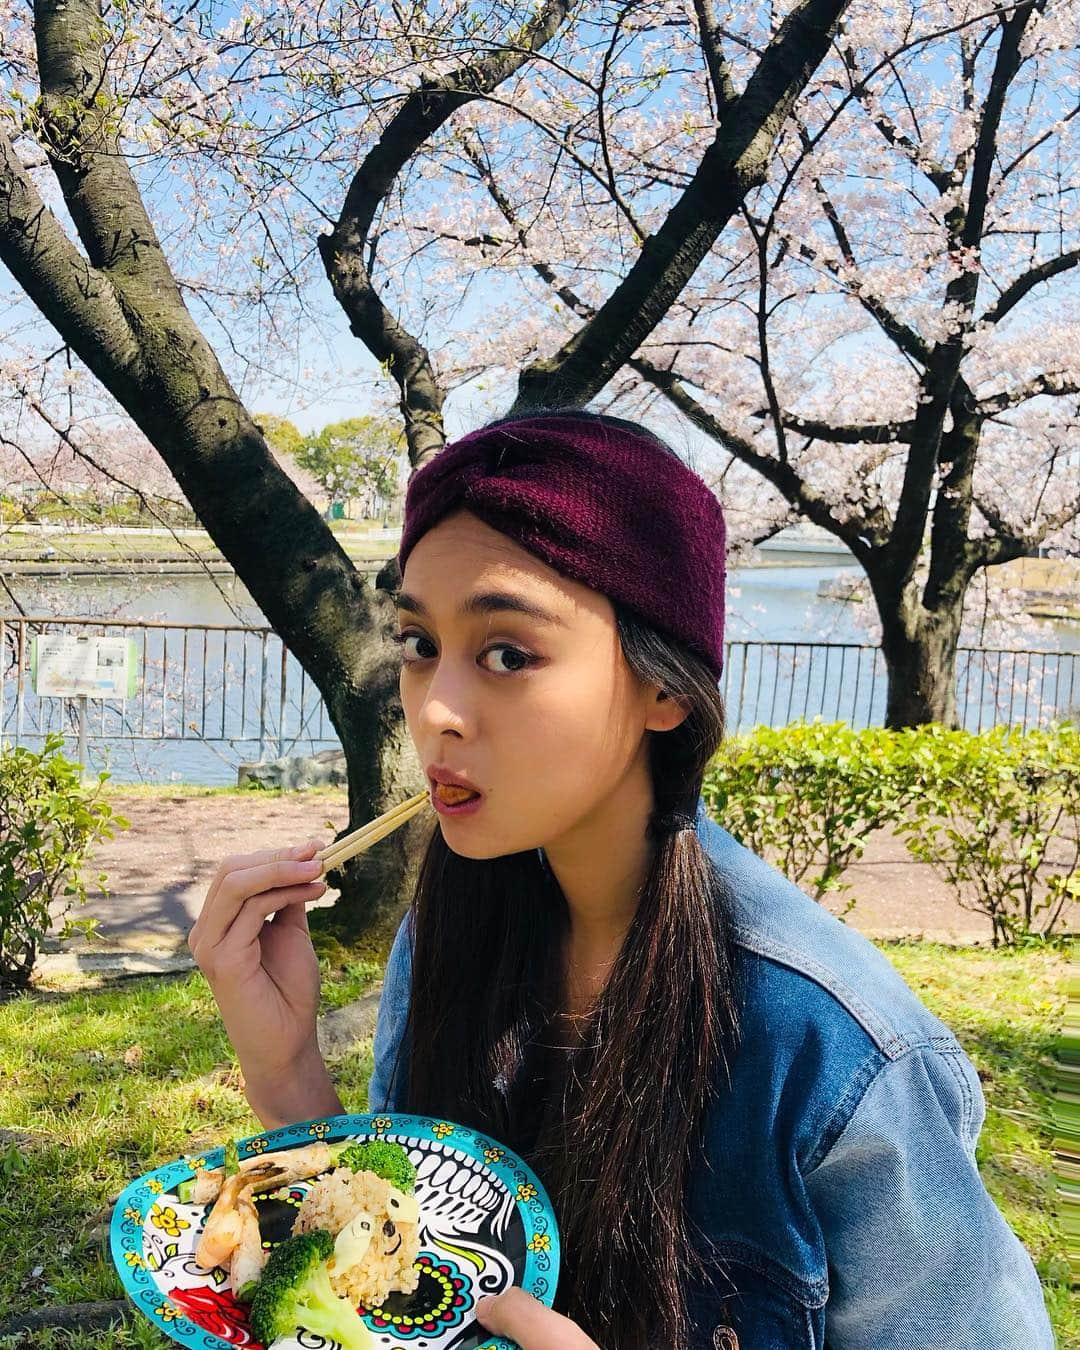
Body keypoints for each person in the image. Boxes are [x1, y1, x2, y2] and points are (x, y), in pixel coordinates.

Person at [190, 409, 1054, 1350]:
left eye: (508, 654)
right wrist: (285, 1073)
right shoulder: (450, 928)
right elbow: (403, 1257)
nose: (435, 709)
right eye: (418, 642)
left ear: (665, 687)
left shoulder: (834, 1049)